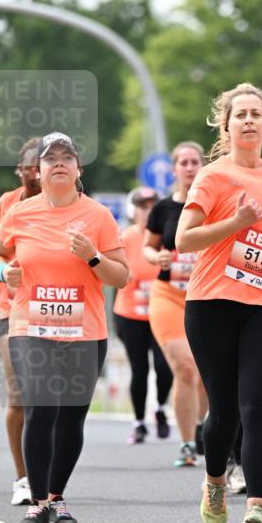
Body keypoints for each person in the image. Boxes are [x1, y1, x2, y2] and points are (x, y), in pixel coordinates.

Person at [176, 83, 262, 523]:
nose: (249, 120)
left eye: (257, 113)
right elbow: (184, 239)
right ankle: (214, 480)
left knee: (258, 404)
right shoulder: (212, 176)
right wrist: (235, 223)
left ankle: (257, 509)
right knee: (225, 410)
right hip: (212, 303)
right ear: (227, 125)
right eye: (241, 114)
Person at [0, 131, 128, 523]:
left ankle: (55, 496)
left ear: (78, 170)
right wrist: (4, 271)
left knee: (70, 417)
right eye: (51, 158)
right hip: (30, 326)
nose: (60, 163)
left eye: (68, 157)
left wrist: (93, 256)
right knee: (40, 407)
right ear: (39, 171)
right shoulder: (19, 213)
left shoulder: (99, 216)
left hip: (85, 330)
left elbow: (121, 275)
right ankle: (37, 504)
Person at [0, 137, 41, 504]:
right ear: (20, 170)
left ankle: (49, 478)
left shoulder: (72, 207)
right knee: (19, 394)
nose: (38, 173)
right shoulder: (3, 206)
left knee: (53, 401)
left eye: (44, 165)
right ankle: (23, 479)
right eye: (31, 167)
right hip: (11, 310)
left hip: (59, 311)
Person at [144, 142, 208, 467]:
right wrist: (157, 257)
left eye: (195, 161)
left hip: (206, 296)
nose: (189, 167)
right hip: (168, 294)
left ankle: (201, 427)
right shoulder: (163, 208)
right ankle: (186, 444)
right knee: (185, 367)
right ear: (174, 169)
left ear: (203, 166)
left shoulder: (213, 205)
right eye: (183, 162)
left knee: (208, 374)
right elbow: (147, 247)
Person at [113, 186, 173, 444]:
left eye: (152, 206)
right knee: (139, 369)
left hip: (162, 312)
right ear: (133, 211)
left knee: (164, 367)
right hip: (130, 314)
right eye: (142, 207)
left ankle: (160, 408)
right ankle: (138, 422)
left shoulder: (167, 235)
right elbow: (114, 269)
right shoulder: (125, 237)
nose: (148, 211)